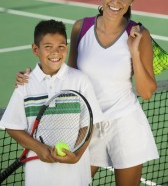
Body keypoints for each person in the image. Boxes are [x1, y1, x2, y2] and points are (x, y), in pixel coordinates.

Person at [15, 0, 159, 186]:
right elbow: (67, 75)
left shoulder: (139, 34)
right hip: (85, 126)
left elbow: (146, 92)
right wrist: (32, 76)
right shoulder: (81, 27)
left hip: (125, 123)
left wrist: (135, 53)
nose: (115, 2)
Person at [0, 19, 103, 186]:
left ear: (67, 48)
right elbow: (12, 126)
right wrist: (39, 148)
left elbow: (89, 125)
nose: (55, 52)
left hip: (76, 177)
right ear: (36, 49)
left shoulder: (80, 80)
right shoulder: (25, 85)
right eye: (48, 47)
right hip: (39, 177)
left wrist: (76, 155)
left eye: (61, 46)